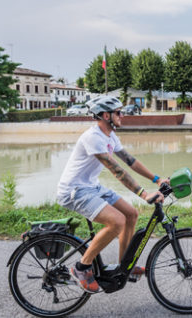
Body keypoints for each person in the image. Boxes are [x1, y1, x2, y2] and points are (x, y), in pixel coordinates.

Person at [57, 96, 167, 293]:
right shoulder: (93, 137)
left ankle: (125, 266)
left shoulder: (110, 135)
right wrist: (144, 194)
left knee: (131, 214)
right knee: (117, 222)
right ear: (106, 115)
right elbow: (117, 171)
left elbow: (130, 161)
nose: (122, 115)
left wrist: (156, 179)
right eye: (118, 112)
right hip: (74, 191)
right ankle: (81, 267)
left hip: (92, 186)